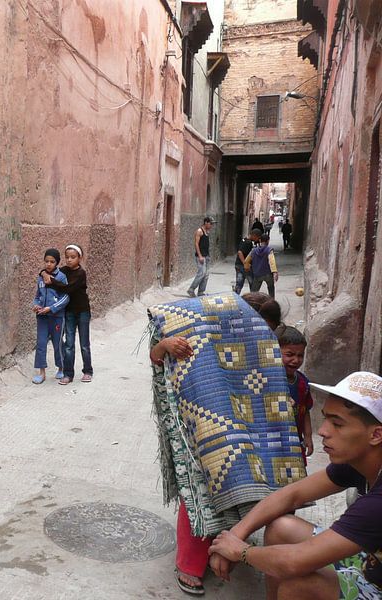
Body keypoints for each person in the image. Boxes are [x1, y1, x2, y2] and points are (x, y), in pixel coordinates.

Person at [208, 371, 382, 600]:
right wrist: (235, 535)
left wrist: (240, 552)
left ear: (376, 434)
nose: (323, 431)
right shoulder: (360, 460)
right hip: (371, 562)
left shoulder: (377, 505)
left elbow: (294, 561)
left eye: (337, 424)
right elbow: (291, 495)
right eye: (326, 419)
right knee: (281, 528)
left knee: (299, 585)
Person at [150, 335, 212, 595]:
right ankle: (191, 563)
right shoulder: (200, 340)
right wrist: (164, 346)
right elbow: (157, 361)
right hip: (205, 425)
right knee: (198, 490)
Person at [44, 244, 93, 385]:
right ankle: (68, 374)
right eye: (67, 257)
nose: (69, 260)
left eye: (73, 257)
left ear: (80, 258)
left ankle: (88, 371)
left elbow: (68, 288)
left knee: (84, 344)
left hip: (83, 311)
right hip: (69, 312)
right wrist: (43, 273)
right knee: (69, 344)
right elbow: (49, 270)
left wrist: (51, 281)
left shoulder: (81, 274)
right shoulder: (64, 271)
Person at [276, 325, 314, 462]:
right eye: (290, 355)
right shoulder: (268, 381)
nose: (296, 360)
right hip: (274, 442)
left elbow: (305, 411)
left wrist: (308, 436)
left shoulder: (303, 383)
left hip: (296, 441)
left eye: (300, 355)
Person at [31, 248, 69, 384]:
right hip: (42, 318)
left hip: (57, 317)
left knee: (58, 343)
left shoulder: (61, 277)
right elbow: (37, 295)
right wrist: (36, 305)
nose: (48, 264)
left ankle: (61, 367)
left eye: (52, 261)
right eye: (46, 261)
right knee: (41, 344)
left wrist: (51, 308)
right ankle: (41, 372)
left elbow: (65, 297)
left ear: (57, 263)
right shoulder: (41, 277)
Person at [245, 233, 279, 297]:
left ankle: (252, 303)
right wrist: (274, 272)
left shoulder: (253, 250)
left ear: (260, 240)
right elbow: (272, 261)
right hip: (267, 273)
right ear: (268, 241)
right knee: (271, 288)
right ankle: (271, 302)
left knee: (254, 292)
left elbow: (246, 261)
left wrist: (247, 268)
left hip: (257, 274)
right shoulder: (269, 250)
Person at [187, 217, 213, 298]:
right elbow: (196, 244)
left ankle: (201, 292)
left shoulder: (207, 231)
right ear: (206, 222)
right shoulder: (199, 231)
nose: (211, 225)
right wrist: (200, 256)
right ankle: (191, 289)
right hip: (200, 256)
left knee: (206, 275)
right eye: (210, 223)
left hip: (206, 256)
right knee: (201, 273)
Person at [235, 229, 262, 294]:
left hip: (238, 265)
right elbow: (240, 252)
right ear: (254, 235)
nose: (258, 239)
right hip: (245, 267)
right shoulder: (247, 242)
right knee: (252, 284)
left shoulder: (244, 240)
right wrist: (245, 263)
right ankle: (253, 299)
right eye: (258, 238)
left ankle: (235, 298)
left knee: (239, 284)